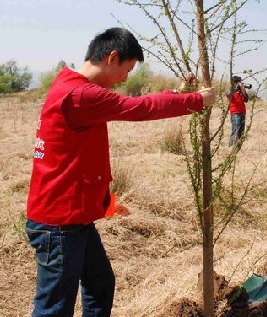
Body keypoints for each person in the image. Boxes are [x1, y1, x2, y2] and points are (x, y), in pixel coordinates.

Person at [25, 27, 215, 317]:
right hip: (59, 223)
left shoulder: (68, 84)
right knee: (54, 308)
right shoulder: (79, 95)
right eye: (126, 70)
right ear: (112, 57)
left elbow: (139, 104)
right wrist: (196, 101)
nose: (125, 79)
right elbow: (140, 108)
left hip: (73, 216)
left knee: (100, 284)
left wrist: (176, 94)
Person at [226, 75, 249, 146]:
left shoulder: (241, 91)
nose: (239, 83)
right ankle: (231, 146)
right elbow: (228, 95)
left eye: (239, 81)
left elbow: (246, 100)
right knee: (235, 131)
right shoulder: (230, 90)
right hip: (235, 113)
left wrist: (243, 91)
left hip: (242, 112)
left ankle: (238, 147)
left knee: (241, 132)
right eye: (237, 82)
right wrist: (234, 89)